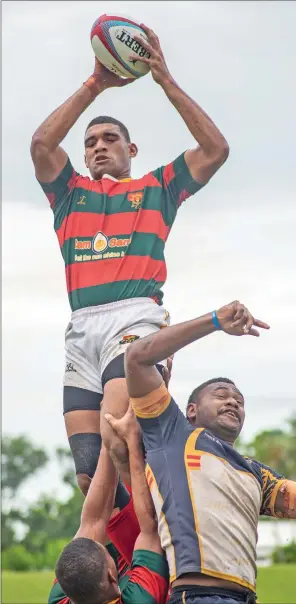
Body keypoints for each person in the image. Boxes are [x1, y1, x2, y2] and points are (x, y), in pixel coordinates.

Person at [30, 23, 229, 498]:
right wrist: (95, 82)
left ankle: (151, 558)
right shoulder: (67, 194)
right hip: (81, 329)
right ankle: (122, 561)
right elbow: (40, 144)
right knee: (86, 472)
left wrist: (164, 78)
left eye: (109, 138)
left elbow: (215, 150)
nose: (98, 146)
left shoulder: (158, 187)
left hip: (134, 320)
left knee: (118, 445)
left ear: (130, 149)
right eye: (90, 141)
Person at [105, 300, 296, 604]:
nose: (233, 402)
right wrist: (215, 321)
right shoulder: (173, 435)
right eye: (221, 395)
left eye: (240, 400)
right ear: (191, 410)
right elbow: (137, 357)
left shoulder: (255, 473)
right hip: (197, 595)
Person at [49, 435, 169, 604]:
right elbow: (150, 525)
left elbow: (94, 520)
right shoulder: (139, 599)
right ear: (112, 575)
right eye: (108, 552)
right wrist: (124, 443)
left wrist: (108, 447)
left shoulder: (61, 598)